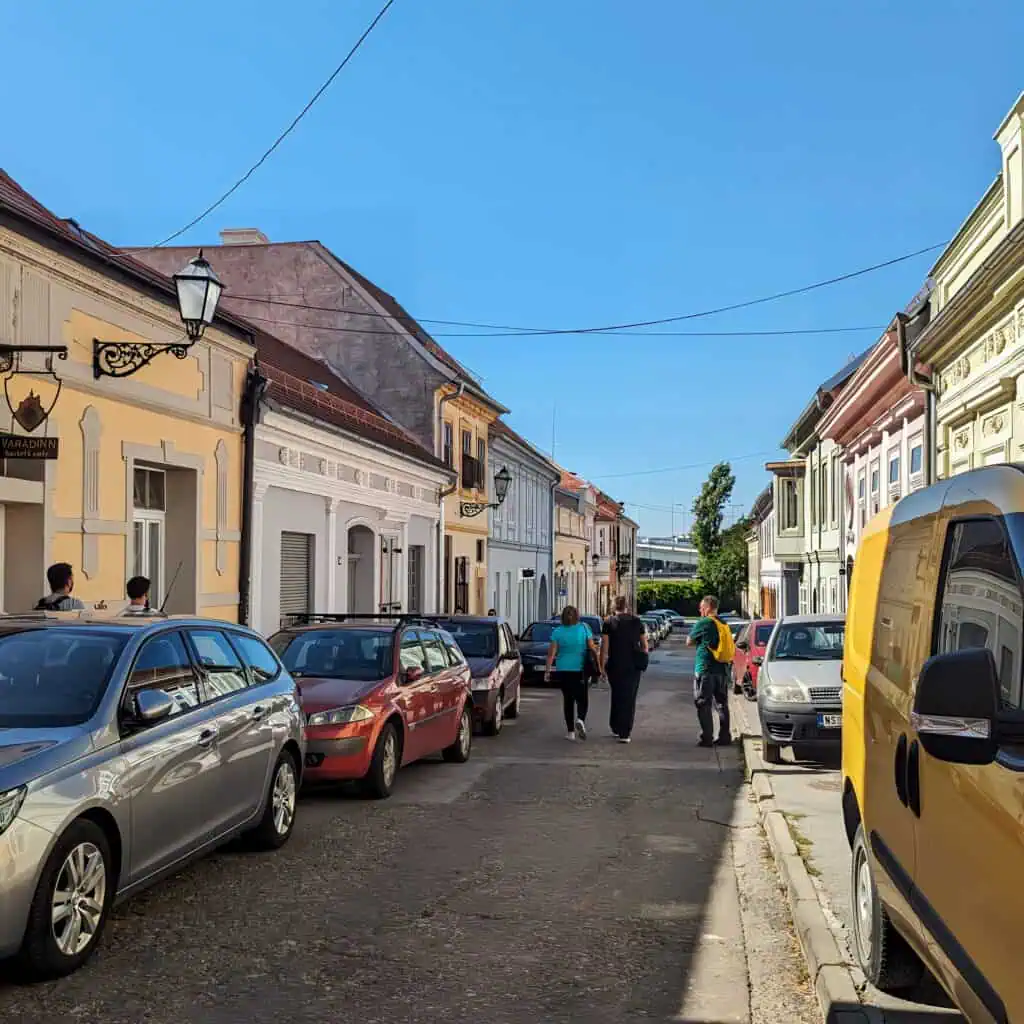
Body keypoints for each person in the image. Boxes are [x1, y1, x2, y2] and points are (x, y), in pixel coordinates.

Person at [544, 604, 597, 740]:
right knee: (582, 698)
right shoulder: (584, 629)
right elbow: (592, 648)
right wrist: (600, 668)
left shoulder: (557, 632)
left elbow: (551, 654)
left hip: (563, 670)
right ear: (577, 616)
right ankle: (580, 719)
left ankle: (570, 732)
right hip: (580, 669)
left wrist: (548, 671)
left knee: (568, 700)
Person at [600, 596, 649, 743]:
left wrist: (602, 666)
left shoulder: (609, 622)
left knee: (617, 694)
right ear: (627, 606)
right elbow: (645, 645)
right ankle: (625, 732)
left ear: (614, 607)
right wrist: (643, 656)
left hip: (615, 664)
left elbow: (605, 647)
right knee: (629, 697)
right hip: (633, 665)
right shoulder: (637, 622)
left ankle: (615, 726)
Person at [687, 594, 732, 747]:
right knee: (721, 704)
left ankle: (707, 737)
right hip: (722, 670)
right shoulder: (724, 623)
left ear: (707, 608)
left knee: (703, 703)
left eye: (701, 608)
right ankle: (725, 736)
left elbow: (689, 641)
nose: (700, 610)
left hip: (705, 669)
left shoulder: (704, 622)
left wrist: (700, 640)